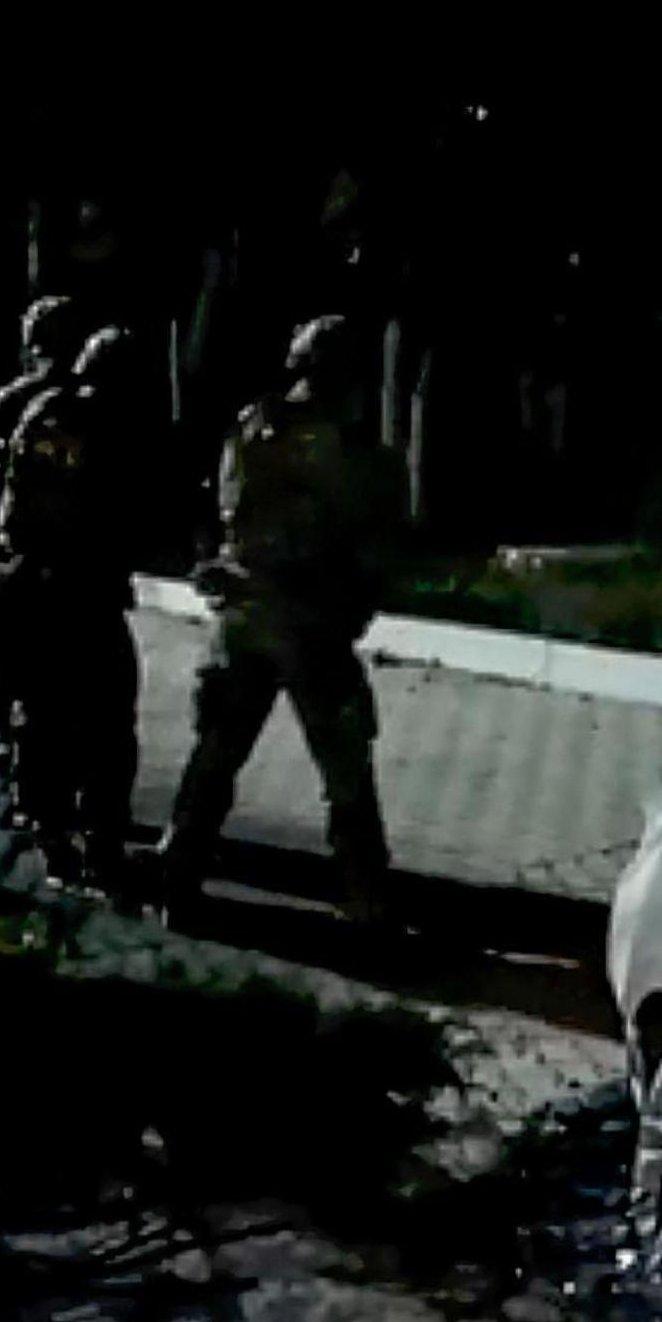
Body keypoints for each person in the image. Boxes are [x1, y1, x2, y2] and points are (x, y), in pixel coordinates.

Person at [157, 315, 403, 924]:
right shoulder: (349, 447)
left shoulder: (252, 428)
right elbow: (372, 539)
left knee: (216, 753)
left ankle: (177, 874)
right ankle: (366, 895)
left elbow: (225, 510)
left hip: (246, 616)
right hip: (311, 624)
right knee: (344, 767)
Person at [0, 324, 168, 885]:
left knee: (43, 717)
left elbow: (13, 504)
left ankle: (52, 836)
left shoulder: (46, 413)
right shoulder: (109, 429)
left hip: (36, 588)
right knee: (108, 725)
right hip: (80, 594)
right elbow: (125, 516)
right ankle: (99, 844)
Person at [0, 295, 93, 822]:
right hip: (81, 570)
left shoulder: (17, 399)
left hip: (16, 563)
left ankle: (18, 771)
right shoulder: (97, 401)